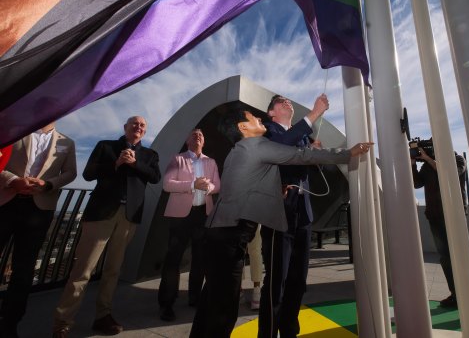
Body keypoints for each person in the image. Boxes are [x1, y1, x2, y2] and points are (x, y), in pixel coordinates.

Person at [190, 108, 372, 338]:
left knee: (209, 305)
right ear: (243, 127)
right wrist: (348, 153)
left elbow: (248, 186)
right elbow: (301, 156)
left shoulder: (239, 150)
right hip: (229, 237)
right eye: (253, 118)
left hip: (219, 235)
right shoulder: (257, 145)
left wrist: (277, 189)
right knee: (223, 312)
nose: (259, 119)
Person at [53, 116, 161, 338]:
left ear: (145, 131)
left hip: (129, 217)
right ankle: (63, 322)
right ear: (125, 128)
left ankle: (103, 316)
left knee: (113, 269)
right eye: (134, 123)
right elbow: (88, 173)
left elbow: (154, 177)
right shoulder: (106, 146)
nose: (138, 127)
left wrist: (134, 164)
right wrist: (116, 163)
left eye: (142, 125)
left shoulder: (150, 155)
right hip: (101, 214)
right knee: (83, 269)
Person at [258, 93, 328, 338]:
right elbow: (282, 145)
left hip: (303, 215)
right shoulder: (267, 131)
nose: (286, 101)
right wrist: (314, 113)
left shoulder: (303, 138)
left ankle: (289, 332)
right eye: (279, 100)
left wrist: (315, 153)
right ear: (271, 113)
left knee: (298, 281)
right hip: (279, 214)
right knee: (277, 281)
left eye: (287, 99)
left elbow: (313, 164)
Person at [0, 123, 76, 338]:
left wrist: (48, 184)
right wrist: (13, 180)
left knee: (23, 270)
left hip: (39, 209)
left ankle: (10, 322)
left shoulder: (67, 142)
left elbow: (70, 172)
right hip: (5, 202)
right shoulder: (13, 132)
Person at [411, 146, 469, 320]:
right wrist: (412, 165)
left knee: (462, 258)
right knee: (446, 258)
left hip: (453, 215)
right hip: (434, 216)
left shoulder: (457, 160)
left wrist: (427, 159)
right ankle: (456, 295)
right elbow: (417, 183)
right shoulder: (426, 165)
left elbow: (450, 174)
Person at [158, 128, 220, 321]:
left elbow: (218, 185)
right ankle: (166, 303)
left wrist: (208, 187)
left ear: (204, 141)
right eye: (194, 134)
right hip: (180, 217)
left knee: (200, 259)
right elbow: (167, 184)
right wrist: (194, 185)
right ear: (187, 141)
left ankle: (195, 298)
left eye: (201, 134)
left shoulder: (211, 162)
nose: (198, 136)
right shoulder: (178, 159)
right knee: (173, 260)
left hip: (203, 215)